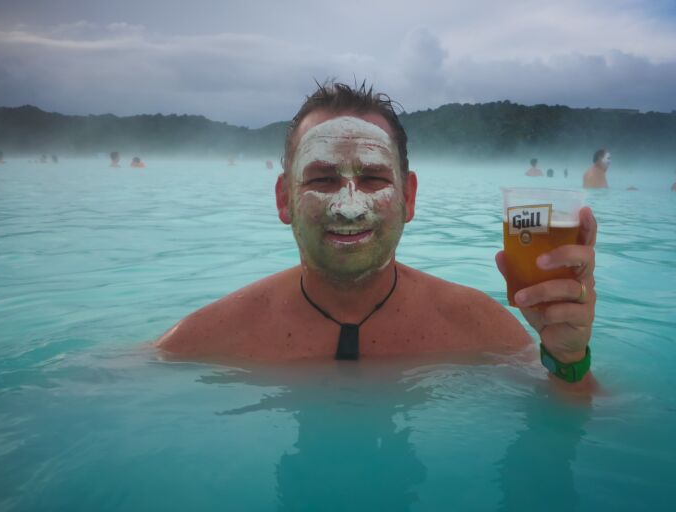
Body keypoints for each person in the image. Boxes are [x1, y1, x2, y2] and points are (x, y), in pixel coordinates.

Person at [156, 82, 598, 385]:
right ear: (284, 199)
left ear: (408, 197)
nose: (350, 207)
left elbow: (578, 419)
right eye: (323, 180)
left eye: (372, 178)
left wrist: (568, 360)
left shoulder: (481, 329)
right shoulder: (203, 341)